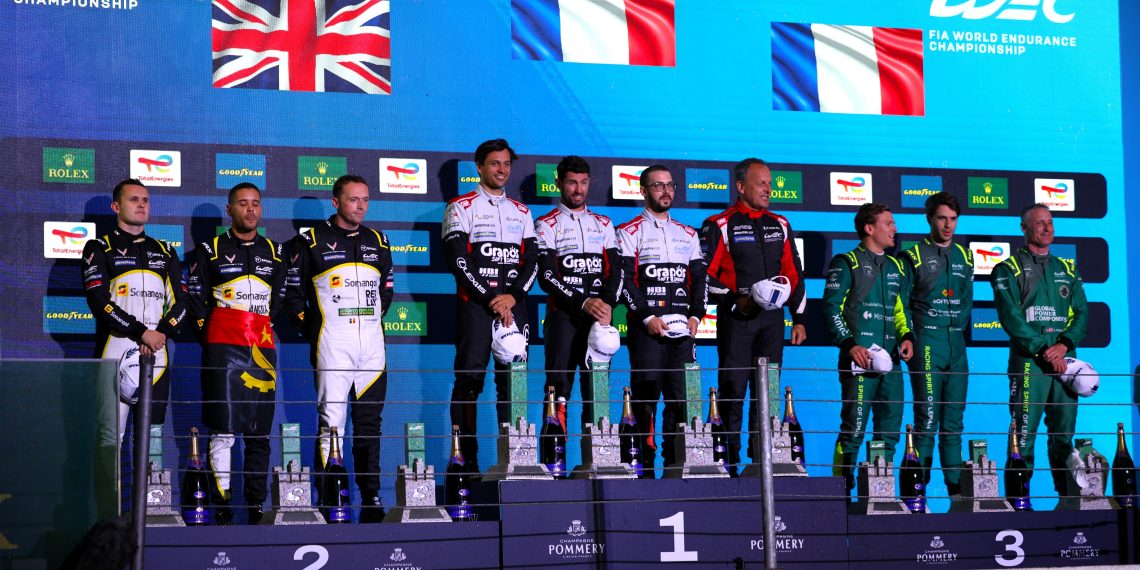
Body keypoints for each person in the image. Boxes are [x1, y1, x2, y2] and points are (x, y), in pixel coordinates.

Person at [285, 174, 394, 523]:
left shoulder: (379, 240)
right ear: (336, 202)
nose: (361, 206)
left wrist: (369, 320)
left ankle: (371, 497)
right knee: (332, 424)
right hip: (333, 343)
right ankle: (331, 498)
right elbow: (292, 296)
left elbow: (387, 291)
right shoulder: (310, 241)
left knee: (370, 425)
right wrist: (316, 329)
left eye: (365, 200)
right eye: (353, 199)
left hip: (372, 345)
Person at [82, 179, 189, 515]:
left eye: (145, 199)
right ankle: (108, 517)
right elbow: (99, 302)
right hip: (115, 353)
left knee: (150, 438)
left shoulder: (165, 251)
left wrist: (161, 333)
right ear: (116, 207)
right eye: (133, 199)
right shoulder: (99, 247)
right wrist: (142, 332)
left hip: (157, 357)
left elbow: (182, 303)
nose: (141, 205)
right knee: (110, 440)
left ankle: (149, 515)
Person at [186, 182, 287, 525]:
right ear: (229, 210)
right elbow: (196, 300)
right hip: (223, 350)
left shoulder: (276, 252)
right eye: (243, 204)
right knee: (223, 431)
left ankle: (257, 507)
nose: (250, 209)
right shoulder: (209, 250)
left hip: (261, 348)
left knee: (259, 432)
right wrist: (216, 338)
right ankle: (223, 506)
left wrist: (256, 327)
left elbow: (280, 298)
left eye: (255, 203)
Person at [700, 157, 806, 476]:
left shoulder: (780, 224)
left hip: (772, 322)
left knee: (768, 394)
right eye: (761, 183)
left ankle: (763, 460)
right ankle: (728, 464)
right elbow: (704, 276)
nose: (768, 189)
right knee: (733, 391)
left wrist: (799, 318)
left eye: (769, 184)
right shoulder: (719, 224)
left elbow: (794, 273)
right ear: (741, 186)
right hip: (737, 320)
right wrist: (736, 299)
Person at [442, 138, 538, 471]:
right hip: (476, 306)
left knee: (514, 383)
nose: (501, 170)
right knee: (469, 383)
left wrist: (513, 296)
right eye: (495, 163)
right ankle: (465, 463)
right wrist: (491, 298)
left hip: (515, 307)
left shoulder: (522, 212)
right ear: (479, 167)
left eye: (506, 164)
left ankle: (515, 461)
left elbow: (532, 262)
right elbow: (458, 260)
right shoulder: (460, 206)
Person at [617, 165, 708, 478]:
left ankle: (675, 468)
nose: (666, 191)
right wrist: (646, 317)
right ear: (644, 191)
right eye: (658, 185)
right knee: (645, 402)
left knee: (681, 401)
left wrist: (696, 315)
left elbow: (700, 278)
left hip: (682, 333)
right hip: (648, 332)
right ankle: (641, 470)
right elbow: (625, 281)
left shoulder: (688, 234)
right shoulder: (628, 231)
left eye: (670, 185)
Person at [992, 203, 1087, 496]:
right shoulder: (1006, 269)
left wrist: (1063, 346)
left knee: (1063, 436)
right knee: (1023, 436)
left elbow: (1082, 313)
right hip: (1029, 362)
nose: (1047, 228)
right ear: (1024, 228)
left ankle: (1067, 500)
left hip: (1065, 361)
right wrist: (1044, 350)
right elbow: (1011, 318)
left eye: (1050, 222)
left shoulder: (1067, 269)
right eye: (1039, 223)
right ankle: (1019, 503)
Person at [822, 202, 914, 493]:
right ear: (869, 228)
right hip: (858, 361)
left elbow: (900, 311)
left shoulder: (897, 266)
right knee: (853, 430)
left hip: (891, 363)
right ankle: (841, 493)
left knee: (889, 433)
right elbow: (831, 309)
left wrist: (907, 337)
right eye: (889, 223)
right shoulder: (846, 262)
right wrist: (850, 346)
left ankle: (880, 492)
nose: (894, 229)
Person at [535, 156, 622, 429]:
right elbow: (547, 276)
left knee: (597, 392)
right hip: (563, 317)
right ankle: (555, 455)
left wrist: (607, 305)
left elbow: (616, 272)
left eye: (583, 182)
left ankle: (598, 453)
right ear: (558, 183)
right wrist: (583, 302)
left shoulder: (604, 224)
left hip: (599, 319)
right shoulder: (546, 224)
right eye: (572, 182)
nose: (578, 189)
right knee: (558, 390)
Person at [900, 191, 973, 497]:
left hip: (956, 345)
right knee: (927, 419)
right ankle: (917, 494)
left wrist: (956, 327)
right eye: (942, 218)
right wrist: (908, 335)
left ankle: (956, 495)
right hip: (927, 342)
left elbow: (967, 300)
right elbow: (902, 302)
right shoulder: (913, 255)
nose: (948, 225)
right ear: (929, 219)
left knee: (954, 424)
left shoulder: (965, 256)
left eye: (953, 219)